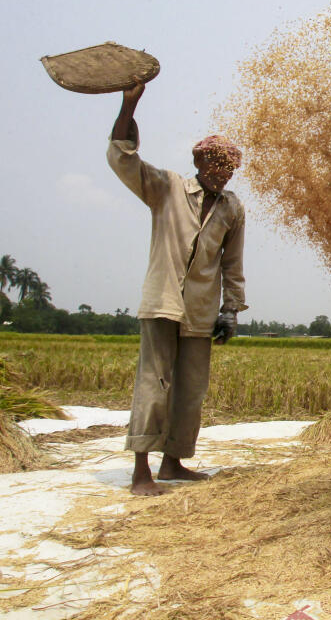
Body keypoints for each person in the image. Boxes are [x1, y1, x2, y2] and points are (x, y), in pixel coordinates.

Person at [108, 83, 247, 496]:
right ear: (200, 163)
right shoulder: (167, 188)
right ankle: (140, 472)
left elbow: (232, 262)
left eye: (230, 168)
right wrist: (128, 104)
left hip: (202, 310)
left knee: (190, 390)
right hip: (163, 303)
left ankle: (173, 462)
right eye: (217, 165)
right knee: (154, 384)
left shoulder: (232, 208)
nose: (223, 173)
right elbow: (123, 158)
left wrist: (231, 309)